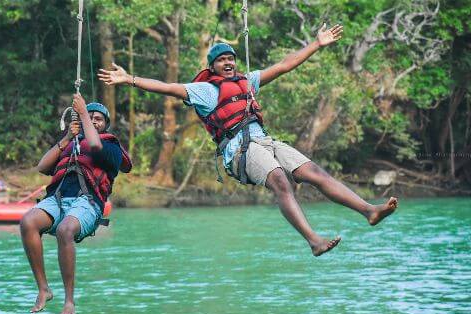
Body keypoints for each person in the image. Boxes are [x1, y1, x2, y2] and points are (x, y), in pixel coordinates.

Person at [98, 23, 397, 257]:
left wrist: (316, 45)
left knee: (314, 172)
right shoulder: (206, 91)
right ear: (213, 66)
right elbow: (168, 87)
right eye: (222, 60)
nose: (229, 63)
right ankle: (314, 241)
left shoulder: (247, 81)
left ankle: (369, 210)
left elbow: (283, 66)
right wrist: (130, 79)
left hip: (265, 142)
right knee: (280, 180)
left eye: (231, 59)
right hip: (238, 151)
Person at [20, 94, 132, 314]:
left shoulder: (110, 146)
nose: (93, 120)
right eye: (89, 117)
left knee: (65, 230)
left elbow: (94, 143)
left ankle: (69, 301)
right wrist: (66, 138)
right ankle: (44, 289)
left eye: (98, 118)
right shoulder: (71, 144)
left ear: (105, 124)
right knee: (28, 222)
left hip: (88, 202)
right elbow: (43, 166)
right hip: (59, 199)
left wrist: (82, 113)